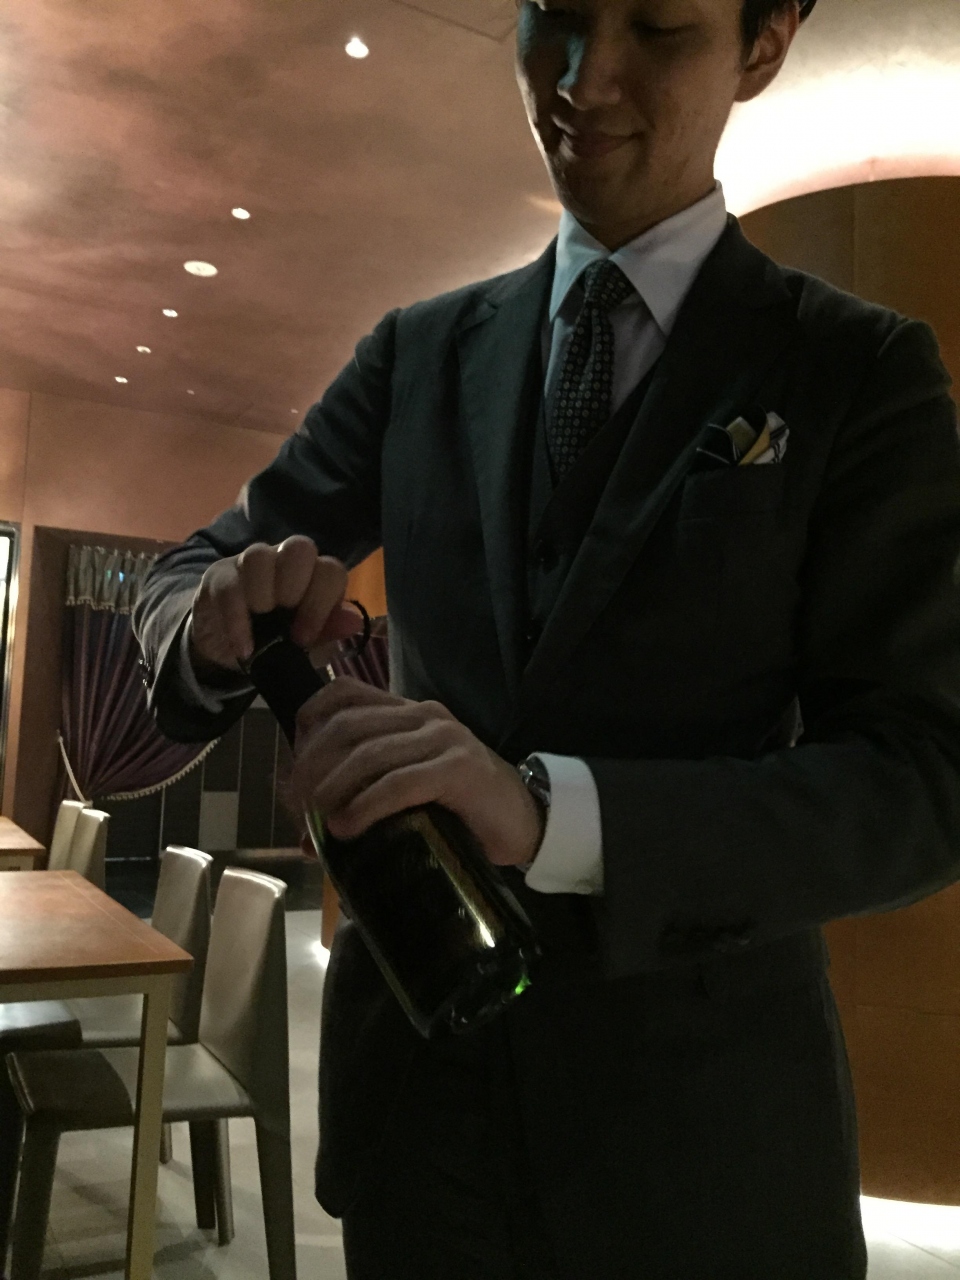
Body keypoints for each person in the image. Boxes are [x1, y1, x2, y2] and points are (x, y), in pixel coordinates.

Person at [133, 0, 960, 1274]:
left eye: (658, 27)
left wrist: (552, 812)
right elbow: (186, 571)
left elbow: (922, 779)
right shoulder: (416, 355)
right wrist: (213, 620)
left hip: (703, 1149)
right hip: (417, 1115)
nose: (586, 75)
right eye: (556, 16)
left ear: (764, 44)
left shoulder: (857, 370)